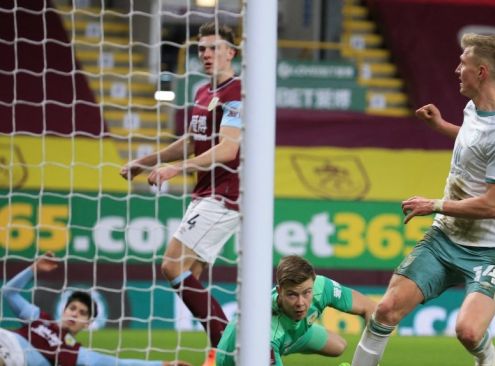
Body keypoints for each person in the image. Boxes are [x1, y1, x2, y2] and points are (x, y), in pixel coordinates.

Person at [351, 33, 495, 366]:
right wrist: (442, 126)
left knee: (468, 332)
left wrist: (433, 204)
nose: (456, 68)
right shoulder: (474, 108)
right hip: (445, 236)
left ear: (482, 72)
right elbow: (475, 144)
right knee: (386, 310)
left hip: (489, 248)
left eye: (463, 62)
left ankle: (487, 357)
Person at [120, 22, 241, 347]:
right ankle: (219, 351)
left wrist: (177, 169)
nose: (206, 54)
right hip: (204, 192)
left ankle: (232, 345)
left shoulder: (238, 92)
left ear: (231, 52)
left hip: (226, 195)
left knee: (171, 265)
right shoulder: (202, 92)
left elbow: (229, 148)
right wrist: (143, 161)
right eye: (201, 48)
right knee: (190, 277)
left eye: (214, 47)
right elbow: (191, 140)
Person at [0, 252, 189, 366]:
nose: (75, 313)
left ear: (88, 324)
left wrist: (164, 364)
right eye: (72, 308)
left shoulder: (76, 353)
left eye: (82, 313)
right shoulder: (38, 317)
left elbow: (121, 364)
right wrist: (33, 269)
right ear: (63, 311)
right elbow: (8, 292)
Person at [214, 255, 376, 366]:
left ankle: (284, 345)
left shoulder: (321, 286)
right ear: (279, 291)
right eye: (292, 295)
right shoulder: (265, 334)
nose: (301, 303)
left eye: (307, 293)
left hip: (290, 333)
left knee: (338, 346)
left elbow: (370, 308)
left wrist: (368, 360)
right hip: (236, 357)